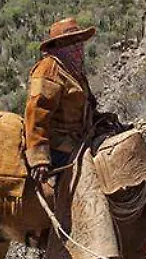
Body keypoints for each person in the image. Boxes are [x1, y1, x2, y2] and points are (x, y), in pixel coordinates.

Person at [24, 17, 99, 189]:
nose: (77, 46)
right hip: (59, 146)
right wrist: (39, 157)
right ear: (58, 47)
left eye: (79, 41)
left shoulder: (73, 70)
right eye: (70, 42)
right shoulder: (48, 70)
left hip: (80, 139)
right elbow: (36, 112)